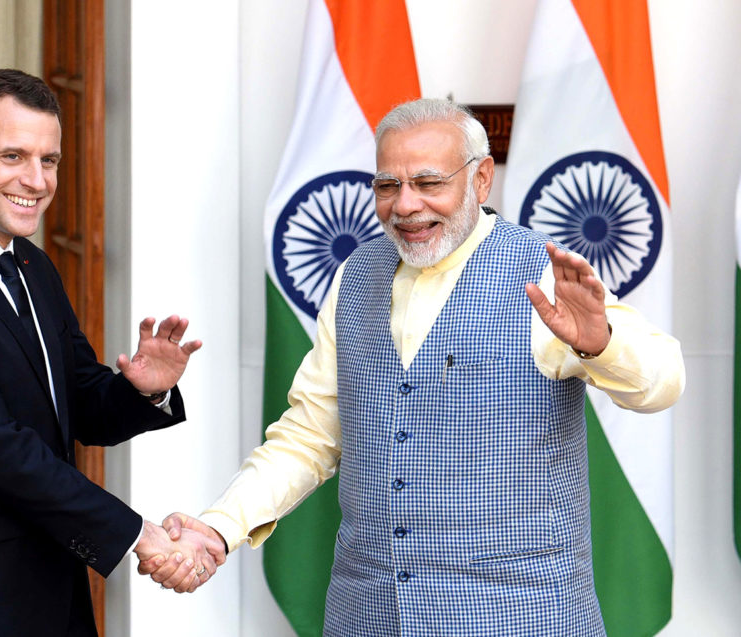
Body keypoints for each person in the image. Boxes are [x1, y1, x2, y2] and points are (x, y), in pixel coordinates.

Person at [141, 98, 684, 635]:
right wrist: (218, 529)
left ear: (481, 180)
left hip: (519, 617)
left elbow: (663, 383)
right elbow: (308, 436)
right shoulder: (355, 276)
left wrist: (603, 343)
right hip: (367, 614)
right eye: (387, 185)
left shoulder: (542, 275)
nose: (404, 206)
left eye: (428, 183)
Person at [0, 69, 222, 637]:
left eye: (48, 160)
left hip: (51, 597)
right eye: (12, 156)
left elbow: (78, 404)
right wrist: (140, 535)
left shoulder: (32, 265)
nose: (36, 179)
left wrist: (143, 387)